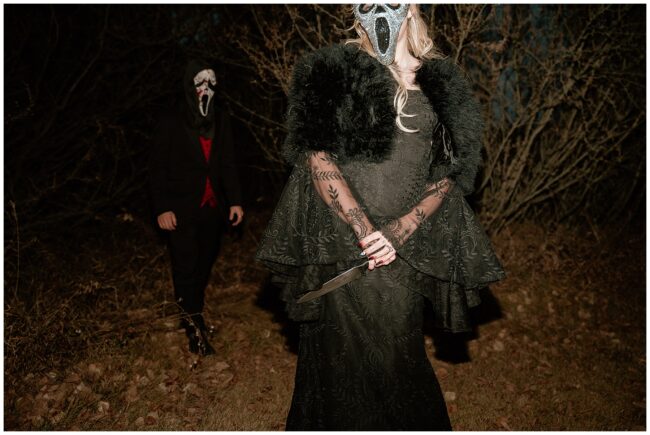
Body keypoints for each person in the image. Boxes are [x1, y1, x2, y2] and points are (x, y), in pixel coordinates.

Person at [256, 4, 505, 430]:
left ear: (410, 9)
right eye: (367, 4)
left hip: (404, 251)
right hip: (341, 241)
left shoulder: (442, 83)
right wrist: (364, 229)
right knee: (335, 364)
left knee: (397, 360)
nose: (378, 11)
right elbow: (317, 157)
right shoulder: (334, 72)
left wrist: (400, 230)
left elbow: (448, 175)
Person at [149, 59, 244, 356]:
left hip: (212, 208)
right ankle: (194, 328)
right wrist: (162, 208)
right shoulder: (171, 120)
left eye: (212, 82)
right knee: (185, 267)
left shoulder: (221, 119)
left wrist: (236, 200)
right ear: (190, 85)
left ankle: (194, 309)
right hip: (180, 208)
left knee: (204, 264)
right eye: (201, 82)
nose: (207, 88)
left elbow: (227, 163)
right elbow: (157, 168)